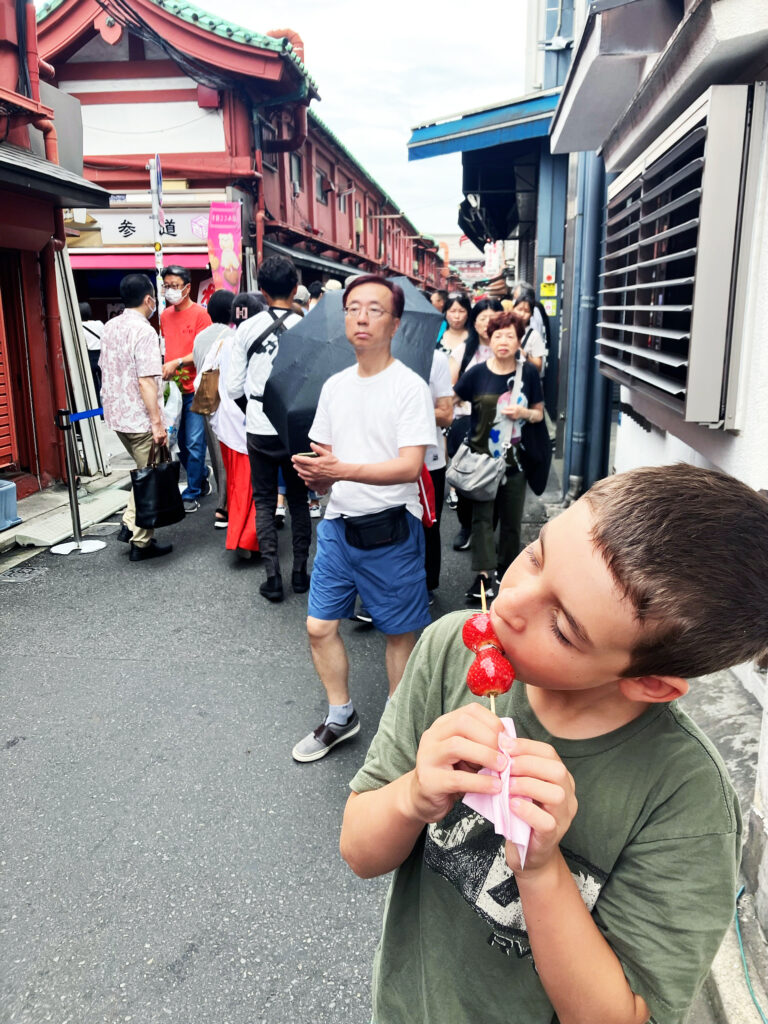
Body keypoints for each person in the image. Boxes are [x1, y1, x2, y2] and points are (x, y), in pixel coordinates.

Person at [340, 462, 768, 1024]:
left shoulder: (685, 801)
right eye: (538, 554)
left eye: (562, 628)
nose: (511, 602)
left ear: (649, 683)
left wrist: (541, 872)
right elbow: (359, 850)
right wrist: (413, 796)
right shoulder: (450, 652)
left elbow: (622, 1016)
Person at [291, 275, 435, 763]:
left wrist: (341, 470)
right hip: (338, 525)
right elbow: (327, 456)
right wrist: (318, 477)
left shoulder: (409, 388)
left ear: (394, 323)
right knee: (318, 626)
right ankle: (341, 715)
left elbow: (410, 466)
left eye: (375, 309)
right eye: (353, 308)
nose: (361, 317)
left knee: (399, 632)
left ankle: (398, 724)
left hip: (391, 527)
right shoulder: (334, 387)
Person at [226, 255, 308, 603]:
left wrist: (255, 409)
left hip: (259, 426)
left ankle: (273, 577)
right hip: (297, 426)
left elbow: (232, 387)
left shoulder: (246, 329)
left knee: (263, 501)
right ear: (295, 288)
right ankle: (301, 573)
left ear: (260, 290)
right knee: (299, 499)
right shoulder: (307, 327)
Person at [454, 310, 543, 603]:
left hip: (514, 461)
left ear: (519, 342)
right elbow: (454, 399)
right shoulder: (477, 373)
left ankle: (506, 572)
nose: (503, 341)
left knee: (511, 521)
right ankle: (483, 576)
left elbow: (539, 414)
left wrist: (523, 413)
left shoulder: (528, 373)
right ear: (489, 339)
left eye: (510, 335)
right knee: (481, 519)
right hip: (481, 460)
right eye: (497, 335)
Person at [99, 274, 171, 562]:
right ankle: (140, 543)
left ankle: (130, 523)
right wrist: (157, 423)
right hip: (140, 417)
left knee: (144, 471)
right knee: (150, 477)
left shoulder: (110, 327)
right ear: (149, 299)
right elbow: (146, 381)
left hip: (117, 414)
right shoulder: (144, 332)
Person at [204, 294, 260, 561]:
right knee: (252, 485)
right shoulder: (256, 343)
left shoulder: (221, 344)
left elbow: (201, 386)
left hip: (224, 425)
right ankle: (245, 538)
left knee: (236, 485)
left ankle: (240, 536)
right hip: (250, 423)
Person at [449, 298, 503, 553]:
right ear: (475, 321)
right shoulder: (463, 351)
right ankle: (466, 525)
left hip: (499, 425)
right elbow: (451, 391)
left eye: (492, 318)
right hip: (466, 422)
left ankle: (486, 528)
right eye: (482, 318)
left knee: (494, 478)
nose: (486, 323)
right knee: (463, 477)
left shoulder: (507, 350)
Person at [159, 265, 212, 513]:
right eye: (166, 286)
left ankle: (191, 492)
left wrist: (177, 362)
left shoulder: (201, 315)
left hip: (195, 387)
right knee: (178, 441)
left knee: (193, 441)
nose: (170, 291)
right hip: (172, 389)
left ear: (188, 287)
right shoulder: (165, 316)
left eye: (174, 286)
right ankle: (201, 474)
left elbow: (204, 351)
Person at [192, 289, 235, 529]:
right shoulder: (231, 335)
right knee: (229, 454)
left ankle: (223, 502)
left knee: (216, 453)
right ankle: (224, 507)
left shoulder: (200, 337)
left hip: (207, 401)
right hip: (228, 403)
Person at [424, 350, 453, 599]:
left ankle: (427, 584)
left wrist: (415, 409)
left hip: (429, 460)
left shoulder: (437, 359)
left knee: (429, 526)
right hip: (387, 459)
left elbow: (446, 415)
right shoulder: (375, 356)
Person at [512, 293, 548, 375]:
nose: (522, 314)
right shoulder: (505, 329)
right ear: (513, 309)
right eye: (519, 309)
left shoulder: (534, 335)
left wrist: (525, 355)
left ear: (531, 314)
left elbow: (539, 366)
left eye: (526, 311)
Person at [78, 301, 104, 406]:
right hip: (102, 354)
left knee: (93, 386)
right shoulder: (99, 323)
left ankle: (97, 409)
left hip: (88, 356)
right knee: (105, 385)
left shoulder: (79, 326)